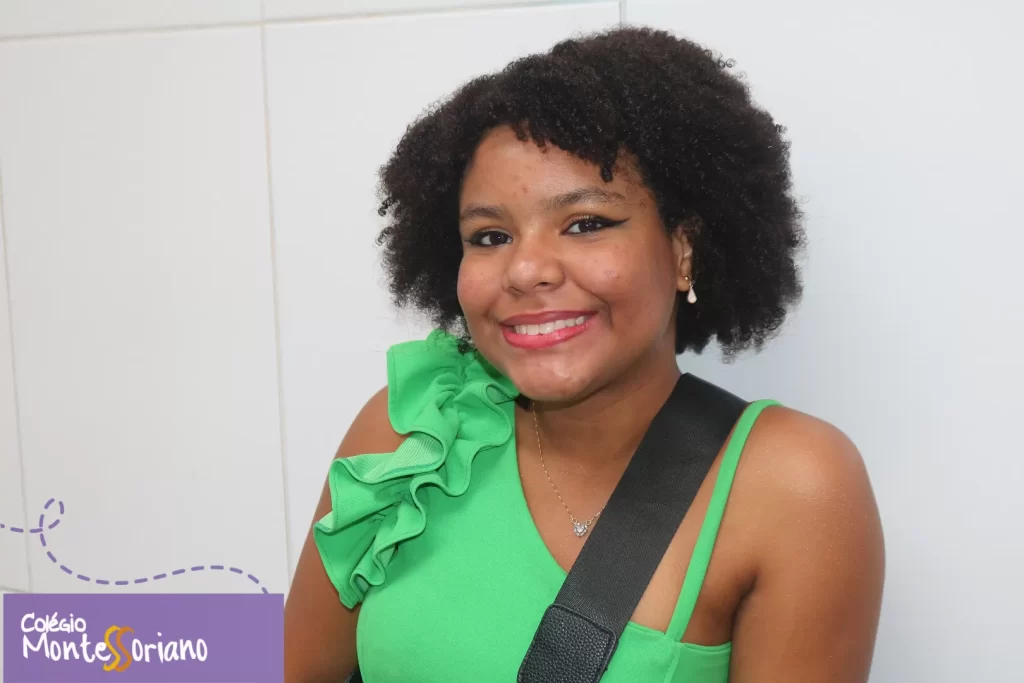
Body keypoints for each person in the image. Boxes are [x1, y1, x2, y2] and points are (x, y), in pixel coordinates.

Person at [284, 26, 884, 683]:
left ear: (682, 247)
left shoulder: (792, 485)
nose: (526, 269)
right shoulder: (412, 432)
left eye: (586, 224)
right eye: (489, 236)